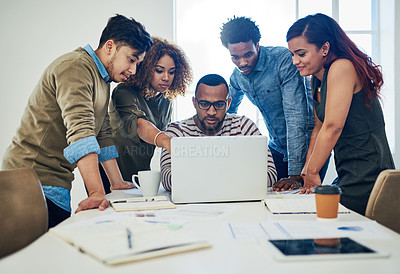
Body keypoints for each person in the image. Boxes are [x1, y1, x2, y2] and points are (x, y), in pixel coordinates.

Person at [1, 14, 153, 228]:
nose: (133, 70)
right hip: (31, 180)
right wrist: (96, 192)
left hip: (55, 182)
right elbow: (81, 132)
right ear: (110, 47)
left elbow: (102, 133)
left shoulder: (102, 79)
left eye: (138, 63)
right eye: (131, 59)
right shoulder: (76, 67)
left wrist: (116, 182)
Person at [286, 13, 395, 215]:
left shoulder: (341, 67)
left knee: (320, 217)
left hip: (369, 174)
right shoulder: (316, 79)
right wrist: (306, 173)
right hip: (348, 173)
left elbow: (332, 127)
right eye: (292, 54)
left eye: (301, 54)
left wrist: (313, 171)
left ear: (325, 48)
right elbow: (318, 129)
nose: (295, 61)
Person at [219, 16, 325, 190]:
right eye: (235, 57)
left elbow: (295, 118)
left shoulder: (283, 61)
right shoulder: (237, 76)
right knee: (267, 193)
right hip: (276, 147)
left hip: (308, 147)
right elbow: (227, 109)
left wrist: (296, 175)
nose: (242, 62)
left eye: (248, 54)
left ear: (257, 46)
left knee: (300, 198)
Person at [102, 37, 192, 191]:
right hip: (112, 176)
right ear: (145, 67)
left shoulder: (166, 99)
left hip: (142, 176)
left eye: (171, 72)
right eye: (159, 70)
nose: (166, 77)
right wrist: (167, 141)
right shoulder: (124, 92)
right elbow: (139, 125)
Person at [160, 74, 277, 191]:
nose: (211, 112)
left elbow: (271, 175)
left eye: (219, 105)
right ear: (194, 103)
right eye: (204, 104)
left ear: (228, 103)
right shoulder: (177, 132)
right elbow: (168, 180)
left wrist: (199, 176)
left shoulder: (244, 126)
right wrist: (234, 175)